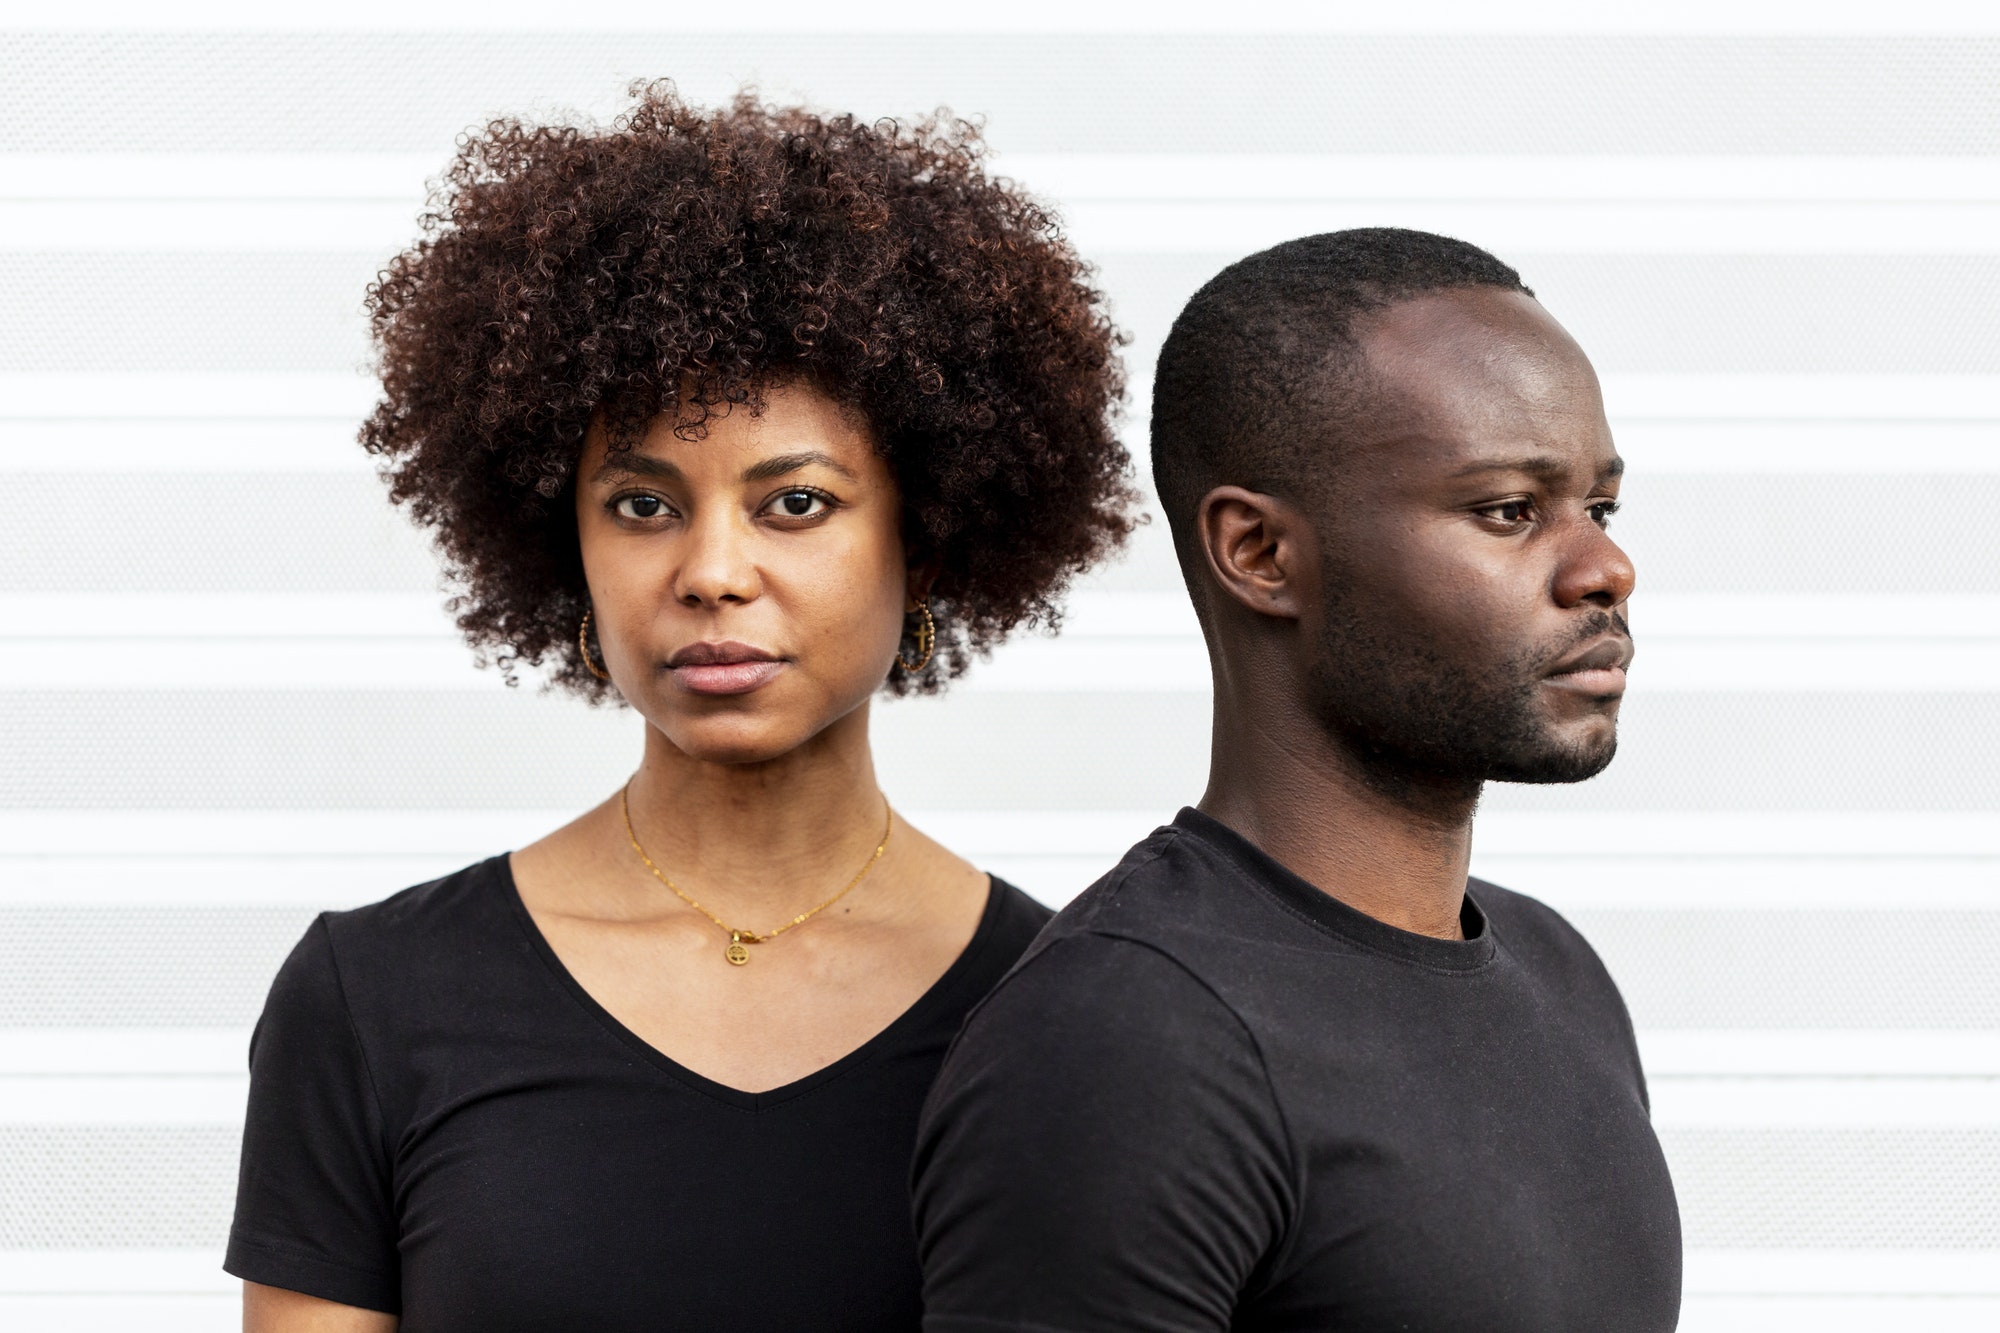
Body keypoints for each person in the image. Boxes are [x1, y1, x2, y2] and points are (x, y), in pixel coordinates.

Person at [226, 86, 1134, 1333]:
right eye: (642, 504)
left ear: (922, 546)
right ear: (565, 550)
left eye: (795, 503)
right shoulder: (376, 998)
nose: (710, 570)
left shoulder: (1068, 1011)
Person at [913, 228, 1682, 1331]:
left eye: (1597, 509)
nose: (1604, 569)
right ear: (1259, 553)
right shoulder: (1127, 1039)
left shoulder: (1559, 977)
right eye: (1508, 509)